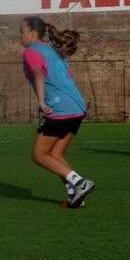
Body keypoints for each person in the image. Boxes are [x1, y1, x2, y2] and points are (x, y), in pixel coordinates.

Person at [21, 16, 95, 208]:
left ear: (32, 33)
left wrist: (41, 100)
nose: (20, 35)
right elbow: (67, 76)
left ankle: (80, 182)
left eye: (22, 31)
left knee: (38, 155)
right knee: (56, 155)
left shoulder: (31, 51)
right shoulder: (53, 50)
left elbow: (38, 73)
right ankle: (75, 197)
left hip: (59, 108)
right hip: (77, 107)